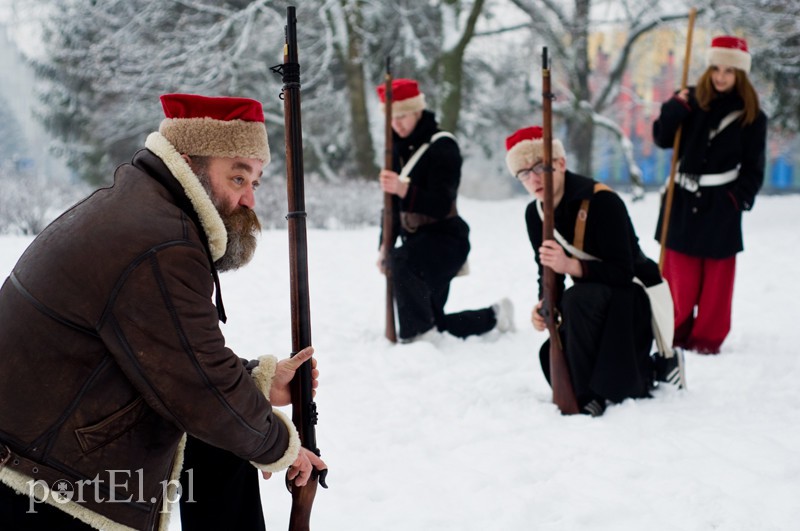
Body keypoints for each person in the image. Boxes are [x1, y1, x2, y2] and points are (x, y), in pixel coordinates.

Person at [0, 93, 326, 530]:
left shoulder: (144, 209)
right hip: (32, 476)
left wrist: (257, 382)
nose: (250, 198)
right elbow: (199, 389)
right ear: (190, 164)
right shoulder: (162, 241)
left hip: (34, 446)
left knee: (222, 441)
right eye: (237, 177)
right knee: (221, 431)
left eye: (255, 182)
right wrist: (281, 445)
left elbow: (172, 357)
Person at [506, 126, 667, 416]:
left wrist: (572, 266)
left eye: (540, 167)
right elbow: (546, 270)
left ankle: (643, 374)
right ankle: (585, 394)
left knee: (579, 301)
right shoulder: (535, 214)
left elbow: (622, 270)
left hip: (630, 296)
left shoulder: (603, 202)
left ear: (560, 164)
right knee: (573, 306)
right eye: (523, 173)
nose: (533, 178)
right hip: (588, 301)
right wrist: (545, 303)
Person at [653, 35, 768, 355]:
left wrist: (736, 201)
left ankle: (707, 340)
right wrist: (674, 108)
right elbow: (662, 138)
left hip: (721, 204)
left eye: (729, 71)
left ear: (740, 75)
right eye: (716, 68)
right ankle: (673, 333)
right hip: (682, 201)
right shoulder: (689, 102)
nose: (720, 76)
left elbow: (754, 169)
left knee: (717, 283)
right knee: (679, 278)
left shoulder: (752, 115)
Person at [376, 78, 513, 343]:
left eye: (403, 116)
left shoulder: (443, 146)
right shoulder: (394, 149)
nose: (397, 124)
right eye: (392, 119)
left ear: (418, 111)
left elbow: (441, 203)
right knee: (435, 319)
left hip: (445, 241)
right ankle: (495, 316)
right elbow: (390, 208)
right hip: (416, 242)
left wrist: (404, 189)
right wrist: (383, 246)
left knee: (402, 262)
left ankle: (417, 337)